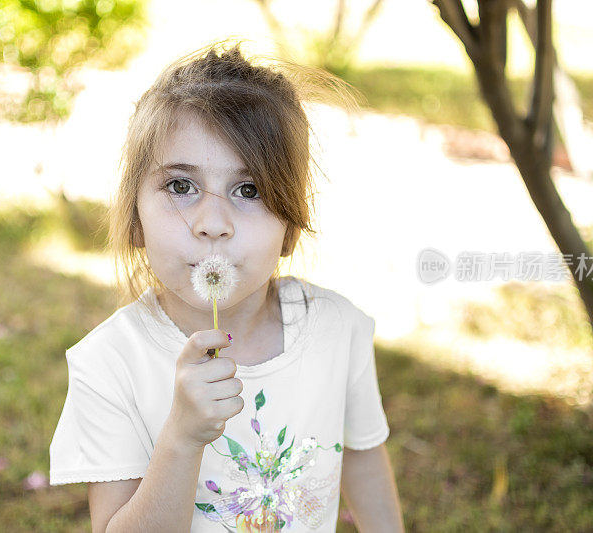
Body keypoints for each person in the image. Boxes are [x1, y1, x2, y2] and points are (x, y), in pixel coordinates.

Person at [49, 39, 404, 533]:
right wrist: (181, 437)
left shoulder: (338, 331)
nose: (212, 222)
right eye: (180, 186)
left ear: (292, 228)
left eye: (249, 190)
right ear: (134, 218)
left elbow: (362, 456)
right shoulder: (109, 364)